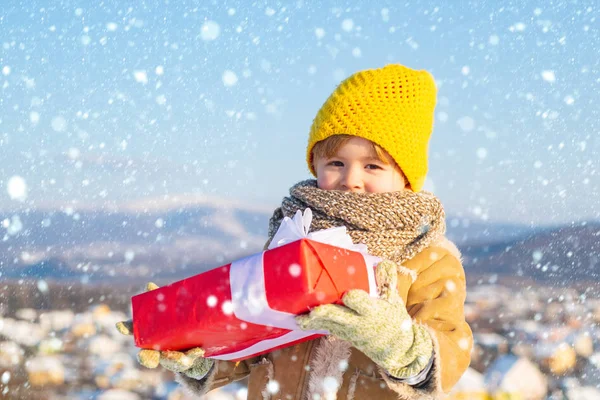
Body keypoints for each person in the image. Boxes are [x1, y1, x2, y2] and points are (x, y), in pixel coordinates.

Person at [117, 64, 473, 399]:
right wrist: (203, 354)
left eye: (372, 165)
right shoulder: (294, 237)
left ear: (406, 177)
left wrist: (403, 347)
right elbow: (257, 335)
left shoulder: (426, 259)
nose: (351, 180)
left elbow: (449, 353)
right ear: (315, 164)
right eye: (336, 162)